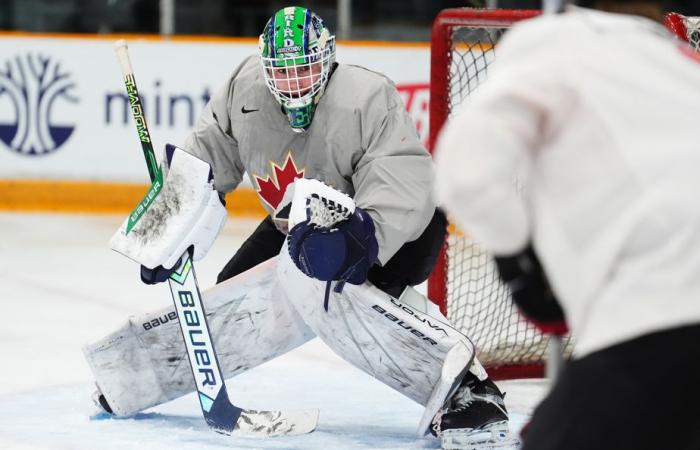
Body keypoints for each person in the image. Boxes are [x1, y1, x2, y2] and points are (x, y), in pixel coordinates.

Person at [89, 6, 518, 449]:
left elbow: (399, 178)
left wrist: (358, 241)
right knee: (235, 301)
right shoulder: (245, 89)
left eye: (305, 69)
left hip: (393, 226)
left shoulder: (366, 96)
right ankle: (148, 374)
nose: (294, 84)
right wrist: (169, 221)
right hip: (298, 225)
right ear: (265, 67)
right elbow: (204, 159)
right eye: (282, 71)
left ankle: (469, 388)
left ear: (327, 59)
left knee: (355, 304)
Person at [434, 1, 700, 449]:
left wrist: (521, 265)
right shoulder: (686, 67)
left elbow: (467, 172)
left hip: (653, 338)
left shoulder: (557, 43)